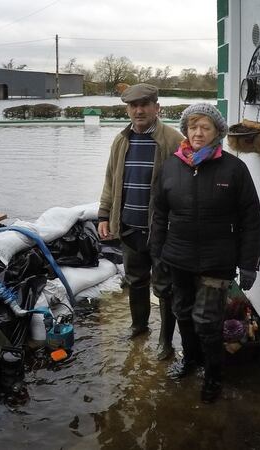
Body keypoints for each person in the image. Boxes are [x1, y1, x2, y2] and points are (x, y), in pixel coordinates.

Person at [150, 103, 260, 403]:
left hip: (217, 260)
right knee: (183, 312)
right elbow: (159, 214)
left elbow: (251, 219)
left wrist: (249, 263)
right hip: (178, 257)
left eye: (206, 127)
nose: (198, 132)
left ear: (217, 133)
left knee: (207, 321)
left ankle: (213, 374)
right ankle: (190, 360)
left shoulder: (234, 169)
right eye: (193, 126)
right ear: (186, 129)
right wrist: (157, 255)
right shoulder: (171, 166)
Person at [97, 83, 184, 359]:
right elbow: (111, 180)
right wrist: (104, 214)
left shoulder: (173, 140)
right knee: (136, 280)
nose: (139, 110)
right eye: (133, 106)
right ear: (128, 110)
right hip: (129, 227)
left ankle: (166, 341)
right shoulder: (121, 140)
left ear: (157, 107)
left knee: (164, 287)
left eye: (145, 104)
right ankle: (139, 326)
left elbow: (184, 187)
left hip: (162, 232)